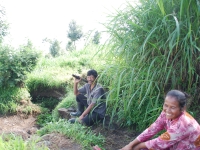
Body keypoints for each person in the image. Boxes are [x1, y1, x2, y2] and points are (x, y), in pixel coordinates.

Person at [120, 90, 200, 150]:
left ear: (182, 109)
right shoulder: (166, 113)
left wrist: (136, 147)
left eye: (172, 107)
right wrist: (130, 145)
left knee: (144, 147)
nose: (167, 110)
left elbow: (160, 142)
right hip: (176, 144)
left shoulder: (183, 124)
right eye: (166, 105)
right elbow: (153, 128)